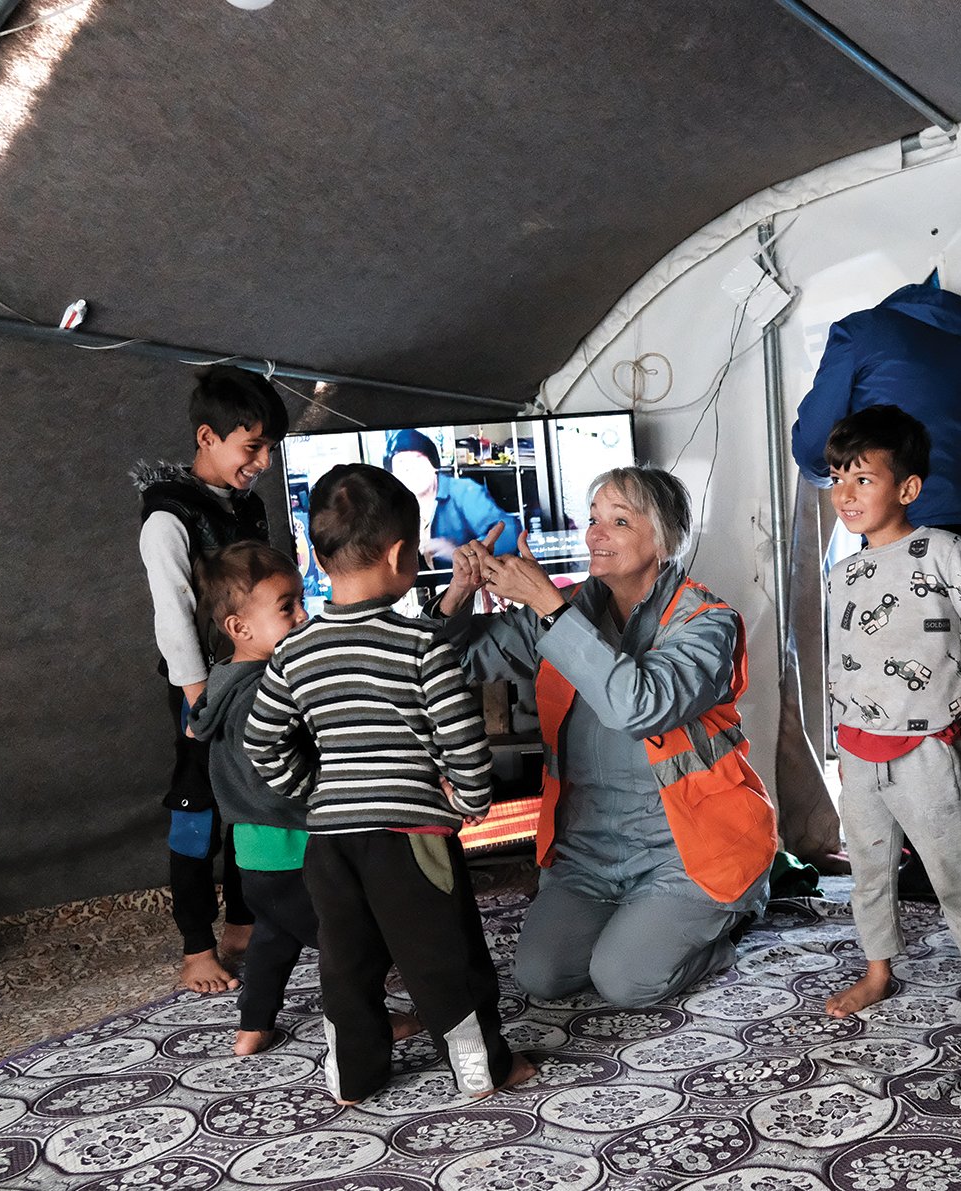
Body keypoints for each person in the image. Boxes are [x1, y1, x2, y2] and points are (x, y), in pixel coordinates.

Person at [435, 466, 778, 1007]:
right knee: (541, 977)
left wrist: (548, 605)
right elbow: (449, 662)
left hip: (686, 851)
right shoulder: (565, 609)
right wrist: (458, 593)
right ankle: (640, 925)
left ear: (664, 536)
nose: (595, 534)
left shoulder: (709, 622)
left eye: (618, 521)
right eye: (593, 519)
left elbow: (639, 706)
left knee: (625, 982)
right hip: (587, 852)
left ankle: (726, 927)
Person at [244, 464, 532, 1104]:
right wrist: (471, 801)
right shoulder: (422, 643)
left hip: (331, 841)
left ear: (316, 558)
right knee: (444, 958)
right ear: (403, 555)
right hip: (412, 839)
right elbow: (463, 741)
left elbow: (261, 741)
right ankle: (484, 1069)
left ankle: (353, 1076)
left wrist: (313, 788)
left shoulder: (295, 652)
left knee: (347, 966)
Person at [819, 406, 961, 1023]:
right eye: (835, 479)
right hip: (858, 747)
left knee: (952, 867)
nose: (845, 494)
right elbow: (840, 664)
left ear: (906, 488)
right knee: (870, 870)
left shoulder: (942, 552)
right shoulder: (843, 574)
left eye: (863, 479)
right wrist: (839, 745)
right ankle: (878, 971)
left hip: (926, 746)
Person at [191, 542, 422, 1057]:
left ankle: (254, 1026)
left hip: (254, 852)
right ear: (240, 628)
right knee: (352, 939)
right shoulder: (263, 691)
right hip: (294, 844)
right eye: (287, 607)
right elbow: (273, 773)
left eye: (301, 601)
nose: (303, 615)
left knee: (275, 936)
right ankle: (369, 1022)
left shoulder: (223, 685)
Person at [133, 365, 289, 994]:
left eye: (269, 449)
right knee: (200, 809)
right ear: (207, 436)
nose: (264, 463)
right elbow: (173, 621)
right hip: (201, 689)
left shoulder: (245, 509)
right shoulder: (166, 520)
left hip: (258, 678)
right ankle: (198, 946)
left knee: (255, 801)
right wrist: (201, 705)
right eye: (252, 447)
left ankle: (245, 924)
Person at [792, 282, 961, 604]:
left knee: (896, 652)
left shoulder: (861, 332)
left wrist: (839, 475)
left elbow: (812, 448)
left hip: (920, 536)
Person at [384, 428, 521, 567]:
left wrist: (463, 554)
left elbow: (509, 532)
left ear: (434, 465)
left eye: (417, 459)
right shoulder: (390, 504)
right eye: (401, 462)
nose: (410, 469)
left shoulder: (463, 491)